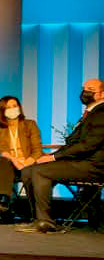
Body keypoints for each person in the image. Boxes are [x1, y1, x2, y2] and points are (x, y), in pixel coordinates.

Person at [19, 79, 104, 232]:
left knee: (40, 171)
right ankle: (37, 218)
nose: (85, 92)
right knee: (28, 171)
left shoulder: (101, 112)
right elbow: (73, 143)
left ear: (102, 94)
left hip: (93, 165)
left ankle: (46, 222)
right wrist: (50, 156)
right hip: (79, 162)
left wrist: (53, 157)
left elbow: (87, 145)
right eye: (84, 88)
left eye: (91, 89)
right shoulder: (90, 113)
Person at [0, 95, 42, 214]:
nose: (12, 109)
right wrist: (15, 161)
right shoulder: (1, 129)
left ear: (19, 107)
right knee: (1, 162)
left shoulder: (30, 124)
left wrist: (25, 163)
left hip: (30, 163)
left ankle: (34, 211)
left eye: (14, 106)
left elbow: (37, 150)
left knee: (27, 171)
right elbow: (3, 150)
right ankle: (3, 200)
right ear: (2, 111)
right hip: (12, 164)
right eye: (8, 107)